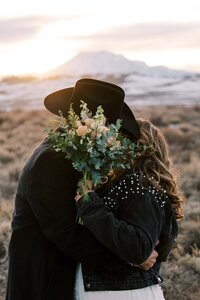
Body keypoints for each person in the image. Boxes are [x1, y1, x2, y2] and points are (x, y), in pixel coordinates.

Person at [6, 78, 158, 300]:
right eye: (109, 130)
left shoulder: (69, 155)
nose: (113, 137)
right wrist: (129, 261)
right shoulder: (52, 160)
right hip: (43, 274)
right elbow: (66, 232)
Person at [74, 117, 184, 300]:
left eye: (120, 137)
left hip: (117, 292)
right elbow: (160, 246)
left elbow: (141, 249)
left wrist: (89, 204)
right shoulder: (148, 184)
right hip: (126, 289)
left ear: (135, 144)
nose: (113, 142)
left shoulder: (136, 183)